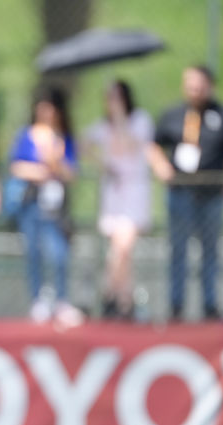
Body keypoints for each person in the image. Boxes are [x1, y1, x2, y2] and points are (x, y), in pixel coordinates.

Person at [148, 65, 223, 321]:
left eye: (199, 85)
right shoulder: (172, 114)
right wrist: (161, 167)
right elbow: (154, 145)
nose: (195, 90)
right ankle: (176, 305)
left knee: (210, 251)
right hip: (180, 192)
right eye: (190, 85)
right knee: (178, 249)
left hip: (211, 193)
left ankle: (210, 304)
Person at [7, 84, 84, 327]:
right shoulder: (26, 135)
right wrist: (41, 170)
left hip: (56, 206)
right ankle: (38, 299)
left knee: (59, 253)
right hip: (32, 201)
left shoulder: (64, 139)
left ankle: (61, 299)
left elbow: (72, 172)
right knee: (34, 252)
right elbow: (16, 165)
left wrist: (57, 162)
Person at [82, 79, 154, 320]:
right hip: (113, 197)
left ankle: (108, 293)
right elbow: (84, 143)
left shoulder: (140, 121)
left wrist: (120, 116)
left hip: (134, 196)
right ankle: (125, 300)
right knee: (121, 253)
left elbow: (131, 145)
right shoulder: (102, 126)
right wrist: (102, 162)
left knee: (121, 249)